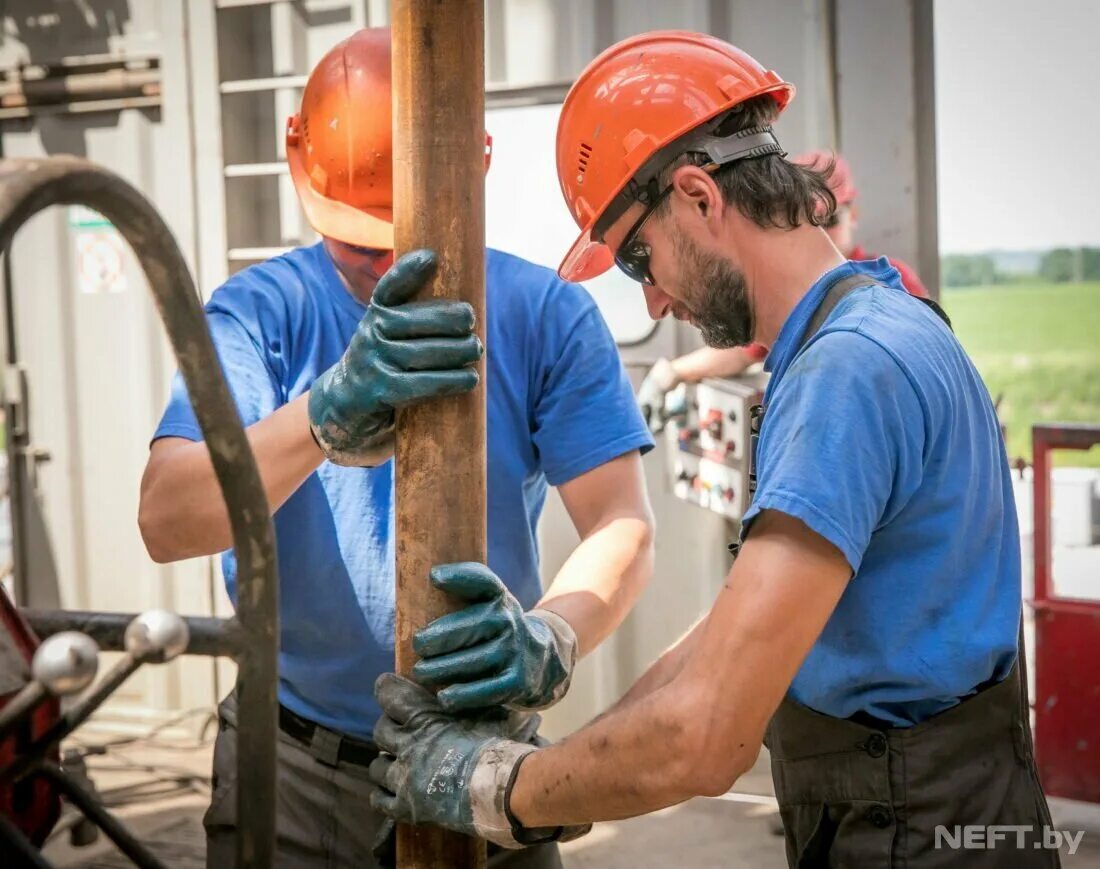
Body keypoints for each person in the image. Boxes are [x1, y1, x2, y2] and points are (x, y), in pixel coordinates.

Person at [365, 31, 1058, 867]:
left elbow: (706, 734)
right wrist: (557, 686)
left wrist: (494, 788)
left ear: (698, 195)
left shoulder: (847, 373)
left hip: (915, 832)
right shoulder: (879, 322)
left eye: (636, 258)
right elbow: (732, 635)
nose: (653, 300)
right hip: (948, 803)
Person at [138, 27, 656, 869]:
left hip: (485, 760)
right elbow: (166, 520)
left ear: (475, 168)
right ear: (298, 165)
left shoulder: (545, 315)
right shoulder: (259, 316)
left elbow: (622, 526)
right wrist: (322, 416)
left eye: (398, 232)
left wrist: (552, 635)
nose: (385, 265)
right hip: (296, 769)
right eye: (356, 238)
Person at [636, 150, 930, 433]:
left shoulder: (896, 281)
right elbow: (741, 354)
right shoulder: (792, 301)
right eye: (813, 220)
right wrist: (671, 373)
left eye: (829, 219)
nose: (822, 232)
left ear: (854, 214)